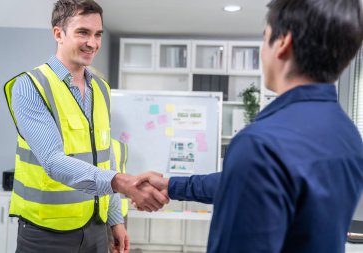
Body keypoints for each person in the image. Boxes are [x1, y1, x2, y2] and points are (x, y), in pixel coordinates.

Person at [139, 0, 363, 252]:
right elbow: (259, 184)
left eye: (265, 36)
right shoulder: (347, 134)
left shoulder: (261, 144)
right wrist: (172, 185)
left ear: (283, 43)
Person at [3, 0, 168, 252]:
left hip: (96, 228)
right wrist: (123, 183)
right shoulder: (30, 86)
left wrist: (115, 221)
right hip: (46, 232)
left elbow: (106, 157)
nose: (92, 43)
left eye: (97, 34)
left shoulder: (101, 88)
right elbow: (52, 160)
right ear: (58, 33)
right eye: (83, 32)